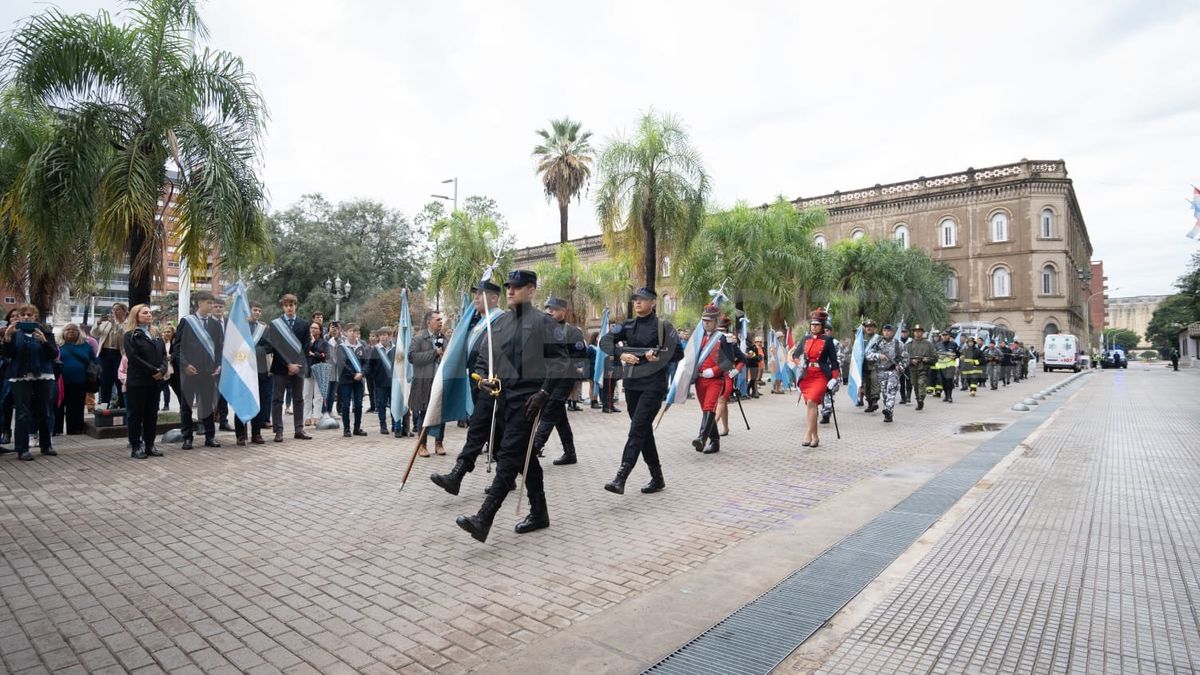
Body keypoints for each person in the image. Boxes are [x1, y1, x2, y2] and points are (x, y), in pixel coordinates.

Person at [455, 270, 573, 542]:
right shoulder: (500, 323)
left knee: (508, 456)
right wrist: (482, 379)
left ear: (531, 291)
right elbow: (485, 358)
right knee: (525, 459)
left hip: (528, 400)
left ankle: (484, 518)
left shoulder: (544, 323)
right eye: (509, 287)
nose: (510, 291)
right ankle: (540, 512)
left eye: (517, 287)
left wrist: (544, 393)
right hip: (502, 399)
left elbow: (561, 363)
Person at [600, 286, 682, 490]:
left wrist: (657, 357)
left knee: (637, 429)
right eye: (635, 299)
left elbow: (678, 353)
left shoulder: (664, 326)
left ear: (653, 303)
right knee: (642, 429)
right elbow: (604, 341)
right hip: (632, 383)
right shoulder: (626, 325)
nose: (637, 302)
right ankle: (657, 477)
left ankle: (621, 475)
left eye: (642, 299)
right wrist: (621, 354)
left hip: (653, 385)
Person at [431, 280, 506, 495]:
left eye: (480, 294)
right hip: (477, 382)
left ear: (493, 298)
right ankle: (506, 478)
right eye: (475, 294)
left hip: (492, 386)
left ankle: (457, 475)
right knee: (497, 435)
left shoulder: (499, 320)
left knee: (478, 431)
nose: (475, 298)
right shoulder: (479, 322)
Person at [530, 297, 585, 466]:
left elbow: (579, 358)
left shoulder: (572, 332)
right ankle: (570, 453)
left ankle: (534, 449)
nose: (550, 312)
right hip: (548, 379)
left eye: (554, 309)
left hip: (564, 379)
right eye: (548, 309)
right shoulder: (544, 329)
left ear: (563, 311)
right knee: (558, 416)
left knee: (549, 412)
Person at [2, 305, 58, 460]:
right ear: (18, 316)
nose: (26, 317)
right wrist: (6, 338)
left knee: (44, 410)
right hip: (20, 375)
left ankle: (46, 446)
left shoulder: (45, 331)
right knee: (22, 412)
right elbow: (8, 355)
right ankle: (22, 449)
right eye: (22, 314)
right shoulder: (13, 332)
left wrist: (44, 341)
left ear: (35, 316)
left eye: (29, 314)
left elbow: (53, 354)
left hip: (43, 374)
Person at [690, 304, 743, 455]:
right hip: (700, 380)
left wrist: (713, 371)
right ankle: (715, 442)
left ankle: (702, 438)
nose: (706, 323)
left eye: (710, 321)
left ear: (716, 322)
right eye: (704, 320)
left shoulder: (723, 339)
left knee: (709, 407)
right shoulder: (698, 337)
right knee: (706, 410)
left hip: (715, 380)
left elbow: (728, 361)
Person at [176, 290, 224, 449]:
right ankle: (187, 438)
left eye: (213, 303)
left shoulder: (216, 324)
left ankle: (210, 437)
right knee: (187, 405)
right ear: (199, 303)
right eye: (209, 303)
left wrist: (218, 365)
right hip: (189, 371)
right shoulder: (187, 321)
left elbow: (219, 348)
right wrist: (185, 365)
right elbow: (178, 347)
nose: (212, 306)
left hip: (208, 372)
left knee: (208, 405)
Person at [123, 304, 168, 459]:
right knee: (136, 415)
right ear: (136, 315)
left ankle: (150, 445)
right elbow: (134, 358)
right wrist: (153, 371)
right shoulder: (130, 335)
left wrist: (162, 370)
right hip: (138, 381)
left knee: (151, 414)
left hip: (155, 383)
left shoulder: (155, 334)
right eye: (145, 313)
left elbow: (163, 355)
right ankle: (136, 446)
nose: (149, 315)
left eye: (150, 313)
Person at [267, 294, 313, 442]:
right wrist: (288, 364)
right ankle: (278, 431)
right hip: (281, 367)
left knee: (298, 399)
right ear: (283, 307)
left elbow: (306, 347)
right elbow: (275, 347)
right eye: (286, 305)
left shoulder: (304, 324)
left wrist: (297, 365)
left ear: (296, 306)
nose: (289, 308)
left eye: (292, 305)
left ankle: (299, 429)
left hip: (298, 367)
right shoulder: (275, 324)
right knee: (277, 399)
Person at [795, 310, 840, 446]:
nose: (814, 327)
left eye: (817, 324)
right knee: (811, 406)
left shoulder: (828, 340)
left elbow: (834, 361)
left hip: (820, 375)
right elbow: (795, 355)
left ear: (822, 326)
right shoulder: (805, 339)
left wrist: (834, 378)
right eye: (812, 324)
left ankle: (807, 434)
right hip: (807, 375)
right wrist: (800, 363)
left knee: (811, 403)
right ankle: (815, 437)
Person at [234, 302, 272, 446]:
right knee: (241, 402)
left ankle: (256, 434)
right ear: (248, 311)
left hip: (259, 369)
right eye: (255, 310)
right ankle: (240, 435)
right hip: (243, 370)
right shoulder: (239, 326)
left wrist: (255, 351)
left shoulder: (264, 328)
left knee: (258, 402)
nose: (257, 313)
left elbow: (269, 346)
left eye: (259, 311)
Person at [409, 310, 446, 456]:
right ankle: (422, 445)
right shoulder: (418, 339)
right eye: (437, 320)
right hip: (424, 382)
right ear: (428, 322)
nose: (440, 322)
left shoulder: (443, 338)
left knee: (441, 414)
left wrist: (445, 354)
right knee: (424, 413)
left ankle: (439, 443)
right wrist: (434, 353)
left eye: (441, 320)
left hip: (440, 381)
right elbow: (412, 357)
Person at [57, 323, 97, 435]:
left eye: (74, 330)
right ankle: (57, 429)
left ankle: (75, 429)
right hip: (60, 382)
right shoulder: (57, 345)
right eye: (67, 329)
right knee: (58, 406)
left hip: (80, 382)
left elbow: (94, 362)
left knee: (76, 407)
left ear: (79, 333)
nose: (71, 331)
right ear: (63, 332)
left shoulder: (86, 346)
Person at [865, 323, 908, 423]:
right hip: (881, 372)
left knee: (891, 391)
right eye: (884, 331)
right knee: (885, 394)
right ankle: (888, 414)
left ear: (892, 332)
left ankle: (888, 410)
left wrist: (900, 366)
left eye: (888, 331)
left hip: (893, 371)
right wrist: (877, 355)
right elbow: (867, 354)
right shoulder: (878, 343)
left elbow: (905, 358)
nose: (886, 332)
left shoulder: (899, 344)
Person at [333, 323, 369, 437]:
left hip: (359, 380)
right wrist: (354, 374)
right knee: (346, 405)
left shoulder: (361, 347)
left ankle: (357, 428)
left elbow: (366, 363)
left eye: (355, 331)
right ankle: (346, 429)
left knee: (358, 405)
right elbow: (341, 364)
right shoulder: (341, 347)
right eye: (350, 331)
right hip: (346, 380)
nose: (353, 333)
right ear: (345, 333)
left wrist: (362, 373)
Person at [92, 303, 127, 410]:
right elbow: (94, 333)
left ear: (124, 312)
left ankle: (122, 407)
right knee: (105, 382)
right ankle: (104, 408)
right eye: (113, 310)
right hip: (105, 354)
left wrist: (115, 325)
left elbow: (124, 336)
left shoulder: (127, 324)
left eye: (117, 310)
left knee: (119, 380)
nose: (114, 312)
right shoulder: (106, 323)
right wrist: (98, 323)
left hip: (119, 355)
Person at [364, 327, 397, 435]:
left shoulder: (395, 349)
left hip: (393, 382)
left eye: (385, 335)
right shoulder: (376, 350)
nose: (383, 337)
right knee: (381, 404)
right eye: (381, 335)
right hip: (380, 382)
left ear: (390, 336)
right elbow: (370, 366)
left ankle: (395, 425)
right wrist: (373, 376)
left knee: (394, 404)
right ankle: (383, 426)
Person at [303, 322, 328, 426]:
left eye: (315, 328)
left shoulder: (324, 343)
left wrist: (314, 354)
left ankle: (316, 416)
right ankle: (307, 416)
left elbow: (325, 355)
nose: (313, 330)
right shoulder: (306, 341)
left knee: (318, 395)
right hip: (308, 369)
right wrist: (311, 343)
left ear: (320, 331)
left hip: (319, 369)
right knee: (307, 394)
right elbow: (304, 352)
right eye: (311, 328)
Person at [905, 325, 935, 411]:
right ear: (913, 333)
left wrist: (928, 359)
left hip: (924, 368)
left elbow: (934, 357)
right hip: (913, 369)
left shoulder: (928, 344)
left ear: (922, 332)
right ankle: (919, 401)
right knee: (915, 385)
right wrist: (911, 361)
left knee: (921, 383)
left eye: (919, 331)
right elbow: (904, 358)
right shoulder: (909, 345)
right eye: (916, 331)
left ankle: (921, 398)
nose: (917, 333)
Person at [932, 330, 961, 403]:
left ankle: (950, 396)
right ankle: (946, 395)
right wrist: (938, 356)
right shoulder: (938, 345)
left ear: (949, 336)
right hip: (941, 365)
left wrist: (954, 357)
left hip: (950, 365)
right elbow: (934, 354)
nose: (944, 336)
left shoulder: (954, 344)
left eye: (946, 335)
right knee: (943, 381)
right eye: (943, 335)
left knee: (949, 380)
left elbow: (959, 354)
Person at [860, 320, 881, 411]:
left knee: (875, 382)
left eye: (871, 326)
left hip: (874, 365)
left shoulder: (879, 338)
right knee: (866, 385)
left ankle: (875, 400)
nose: (868, 328)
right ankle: (870, 403)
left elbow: (883, 350)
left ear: (874, 328)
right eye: (867, 326)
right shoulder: (860, 338)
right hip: (864, 365)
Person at [159, 324, 175, 410]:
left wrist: (171, 357)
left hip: (172, 369)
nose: (166, 334)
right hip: (163, 368)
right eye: (164, 332)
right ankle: (159, 405)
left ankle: (166, 405)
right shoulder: (160, 343)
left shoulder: (174, 343)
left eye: (168, 332)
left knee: (168, 388)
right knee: (162, 387)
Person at [897, 327, 913, 404]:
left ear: (908, 332)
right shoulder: (897, 341)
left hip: (909, 364)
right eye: (902, 332)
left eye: (905, 332)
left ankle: (908, 397)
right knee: (901, 382)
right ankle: (903, 398)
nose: (904, 333)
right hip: (900, 364)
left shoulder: (911, 341)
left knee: (909, 382)